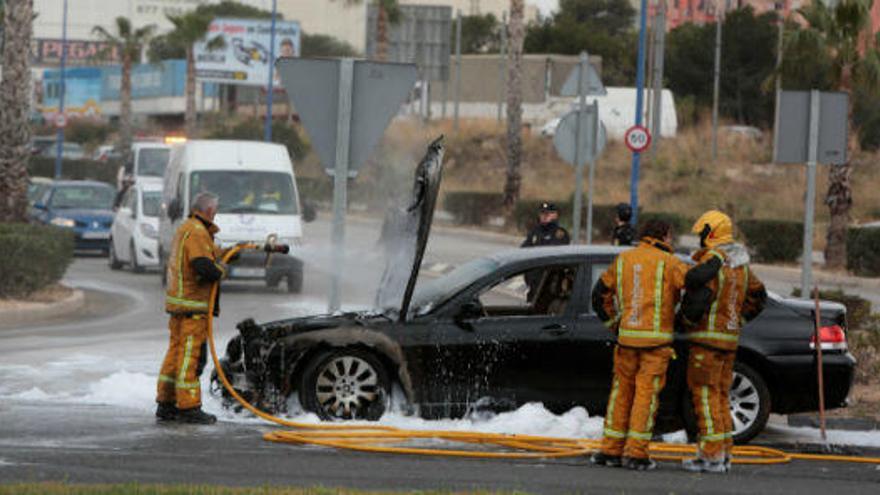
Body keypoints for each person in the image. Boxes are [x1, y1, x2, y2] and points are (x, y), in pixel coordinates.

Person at [590, 220, 688, 471]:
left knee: (620, 395)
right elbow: (695, 288)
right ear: (664, 235)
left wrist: (615, 324)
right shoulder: (671, 263)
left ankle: (610, 450)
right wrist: (682, 321)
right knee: (645, 397)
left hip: (626, 342)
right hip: (655, 345)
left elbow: (599, 295)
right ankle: (636, 454)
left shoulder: (624, 259)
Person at [677, 210, 767, 473]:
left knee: (704, 396)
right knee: (719, 396)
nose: (699, 239)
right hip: (729, 341)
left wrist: (686, 321)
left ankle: (711, 456)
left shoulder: (712, 263)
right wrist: (739, 321)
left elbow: (698, 298)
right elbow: (759, 296)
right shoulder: (741, 266)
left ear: (711, 232)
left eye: (702, 233)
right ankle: (723, 453)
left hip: (706, 341)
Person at [156, 192, 231, 424]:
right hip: (192, 309)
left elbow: (207, 255)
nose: (216, 215)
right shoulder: (198, 232)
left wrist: (230, 253)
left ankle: (166, 404)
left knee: (176, 354)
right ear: (208, 211)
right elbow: (203, 266)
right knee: (190, 357)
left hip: (180, 306)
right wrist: (221, 271)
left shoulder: (189, 228)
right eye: (215, 211)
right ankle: (189, 407)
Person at [521, 202, 570, 301]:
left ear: (555, 215)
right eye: (542, 213)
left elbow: (552, 255)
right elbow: (523, 251)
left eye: (547, 214)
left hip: (550, 286)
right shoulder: (535, 231)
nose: (544, 216)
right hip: (534, 283)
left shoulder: (560, 234)